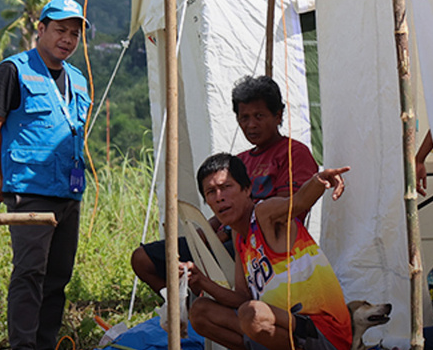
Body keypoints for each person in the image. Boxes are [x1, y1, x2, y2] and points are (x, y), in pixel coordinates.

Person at [0, 0, 90, 350]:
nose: (67, 39)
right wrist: (2, 177)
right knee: (29, 273)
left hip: (68, 191)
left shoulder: (77, 79)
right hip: (29, 191)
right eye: (60, 30)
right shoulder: (13, 71)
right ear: (40, 30)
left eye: (74, 34)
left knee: (58, 276)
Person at [185, 152, 353, 350]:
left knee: (252, 314)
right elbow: (241, 297)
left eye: (226, 187)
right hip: (289, 333)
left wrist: (320, 180)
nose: (219, 198)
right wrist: (201, 282)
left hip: (325, 337)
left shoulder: (264, 213)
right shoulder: (238, 236)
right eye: (211, 192)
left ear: (246, 189)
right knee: (200, 312)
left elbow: (298, 203)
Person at [130, 74, 318, 294]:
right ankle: (186, 310)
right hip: (227, 240)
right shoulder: (238, 160)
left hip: (264, 247)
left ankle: (216, 311)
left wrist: (226, 234)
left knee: (205, 270)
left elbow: (285, 210)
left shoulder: (294, 153)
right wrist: (203, 234)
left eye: (259, 116)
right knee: (143, 259)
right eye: (244, 117)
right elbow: (224, 209)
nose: (251, 125)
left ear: (278, 116)